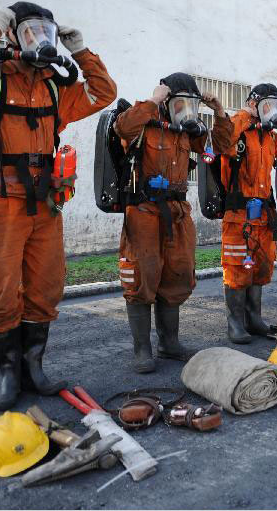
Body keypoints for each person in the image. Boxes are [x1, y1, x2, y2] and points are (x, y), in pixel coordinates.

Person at [0, 2, 117, 410]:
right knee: (1, 289)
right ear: (13, 34)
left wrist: (80, 51)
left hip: (45, 202)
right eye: (29, 31)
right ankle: (8, 376)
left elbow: (103, 93)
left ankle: (33, 368)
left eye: (46, 31)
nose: (39, 39)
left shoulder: (53, 86)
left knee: (45, 285)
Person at [113, 73, 233, 372]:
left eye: (191, 105)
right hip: (143, 210)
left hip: (178, 210)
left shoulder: (186, 133)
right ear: (167, 101)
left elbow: (222, 145)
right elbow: (122, 127)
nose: (186, 111)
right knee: (143, 275)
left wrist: (218, 111)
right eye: (181, 103)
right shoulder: (145, 124)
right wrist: (152, 100)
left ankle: (170, 343)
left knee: (177, 272)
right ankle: (143, 350)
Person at [217, 84, 277, 343]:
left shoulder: (269, 137)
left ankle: (254, 318)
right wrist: (246, 114)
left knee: (260, 266)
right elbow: (223, 140)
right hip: (239, 213)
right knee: (237, 267)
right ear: (254, 103)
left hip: (263, 212)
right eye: (268, 105)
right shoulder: (240, 128)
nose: (273, 111)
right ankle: (235, 323)